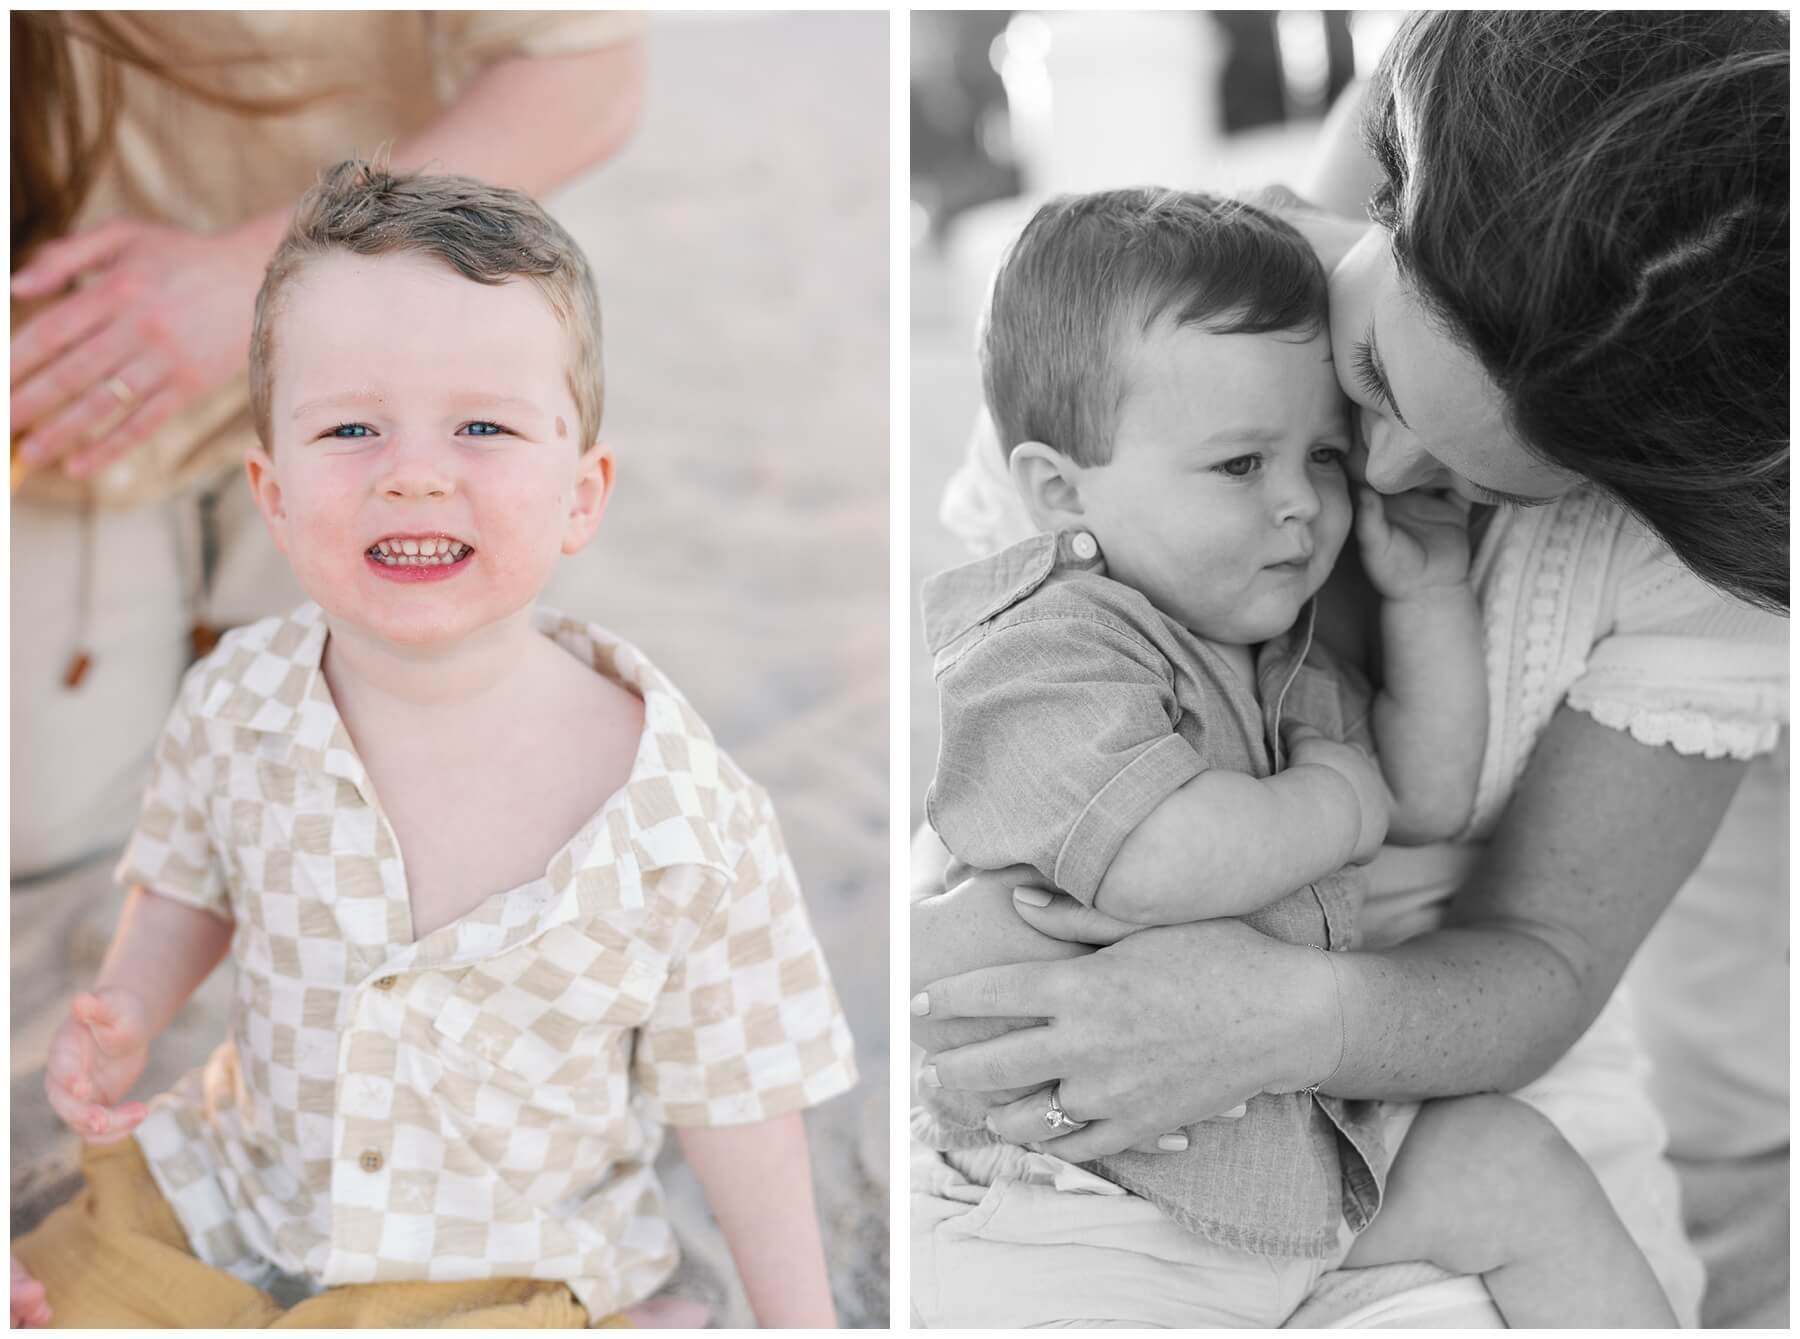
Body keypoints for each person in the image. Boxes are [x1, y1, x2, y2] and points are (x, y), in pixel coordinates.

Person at [914, 10, 1786, 1328]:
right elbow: (1073, 829)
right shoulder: (1149, 349)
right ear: (1382, 189)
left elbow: (1516, 915)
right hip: (1084, 1140)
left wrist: (1291, 1012)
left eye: (1472, 480)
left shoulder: (1679, 553)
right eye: (1370, 375)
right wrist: (1333, 805)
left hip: (1420, 1092)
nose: (1365, 484)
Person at [10, 159, 856, 1328]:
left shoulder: (678, 820)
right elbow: (191, 881)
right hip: (246, 1206)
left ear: (581, 492)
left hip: (497, 1265)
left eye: (483, 425)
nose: (412, 471)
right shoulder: (241, 701)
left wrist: (801, 1319)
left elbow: (742, 1099)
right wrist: (133, 1003)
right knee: (66, 1292)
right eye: (350, 426)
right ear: (272, 489)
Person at [11, 11, 647, 881]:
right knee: (41, 830)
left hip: (380, 360)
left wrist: (253, 277)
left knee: (377, 794)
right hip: (72, 380)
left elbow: (590, 73)